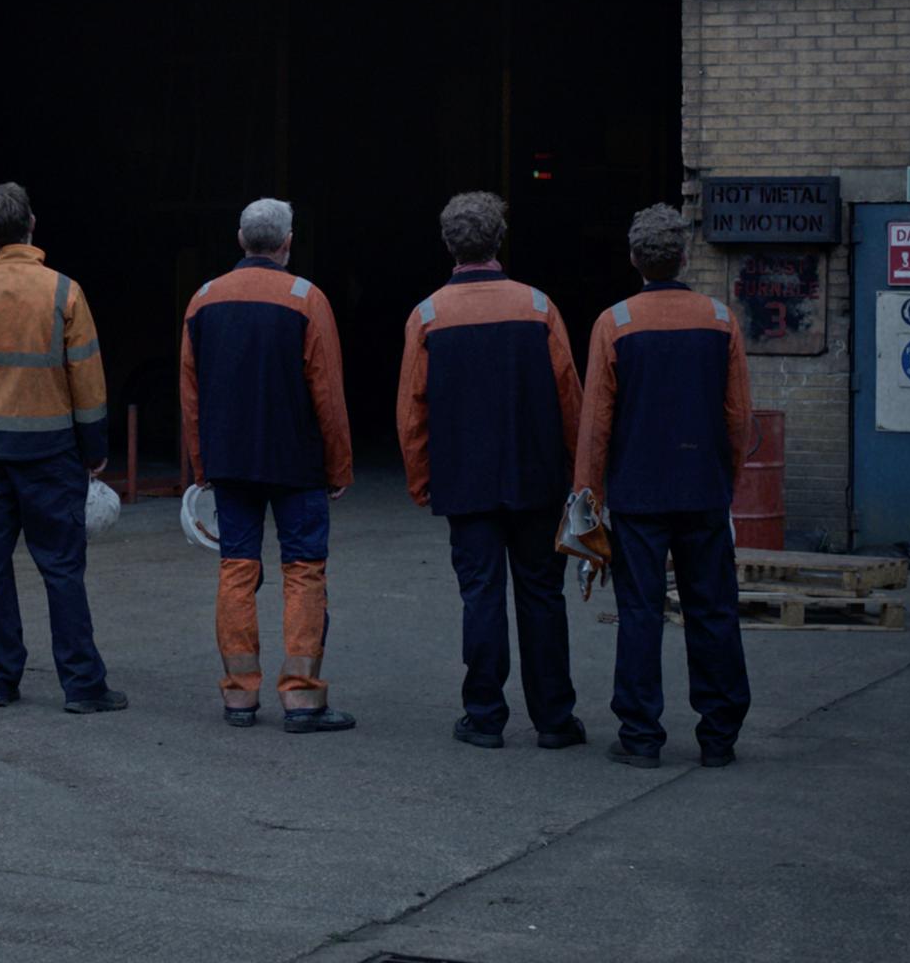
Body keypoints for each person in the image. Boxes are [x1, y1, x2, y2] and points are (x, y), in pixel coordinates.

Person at [396, 191, 586, 751]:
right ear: (499, 240)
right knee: (542, 594)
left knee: (480, 595)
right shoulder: (538, 307)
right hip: (536, 477)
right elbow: (570, 399)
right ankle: (554, 719)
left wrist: (421, 478)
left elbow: (412, 411)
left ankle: (484, 717)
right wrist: (580, 474)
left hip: (464, 480)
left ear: (449, 245)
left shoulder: (428, 315)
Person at [575, 203, 754, 769]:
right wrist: (727, 479)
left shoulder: (614, 323)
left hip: (638, 494)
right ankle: (719, 737)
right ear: (685, 257)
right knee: (713, 610)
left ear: (635, 259)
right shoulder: (720, 320)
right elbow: (738, 418)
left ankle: (640, 735)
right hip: (703, 489)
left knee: (639, 611)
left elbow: (596, 423)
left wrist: (588, 498)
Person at [180, 198, 356, 734]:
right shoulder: (307, 298)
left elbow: (191, 393)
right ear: (287, 242)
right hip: (297, 462)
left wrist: (201, 463)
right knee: (304, 570)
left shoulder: (204, 299)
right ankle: (302, 699)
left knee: (237, 568)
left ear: (241, 239)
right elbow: (327, 393)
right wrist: (339, 465)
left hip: (230, 461)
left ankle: (240, 696)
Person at [0, 182, 125, 713]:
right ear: (32, 224)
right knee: (62, 568)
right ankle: (82, 685)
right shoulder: (63, 291)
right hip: (52, 451)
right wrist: (93, 446)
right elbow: (86, 378)